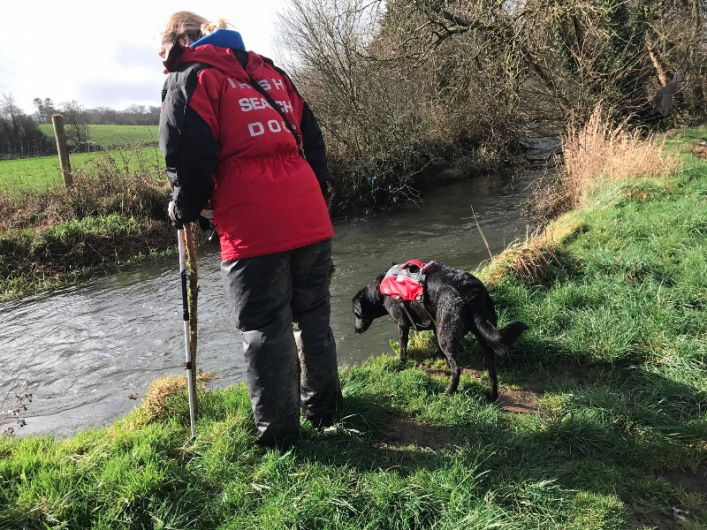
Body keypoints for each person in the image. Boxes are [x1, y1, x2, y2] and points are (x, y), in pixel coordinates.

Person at [157, 11, 341, 447]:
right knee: (312, 318)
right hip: (310, 214)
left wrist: (184, 206)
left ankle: (279, 438)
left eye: (161, 52)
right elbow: (311, 140)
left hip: (254, 226)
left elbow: (186, 152)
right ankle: (325, 411)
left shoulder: (194, 76)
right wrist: (315, 194)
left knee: (264, 329)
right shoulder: (269, 70)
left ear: (178, 41)